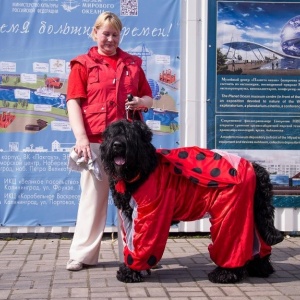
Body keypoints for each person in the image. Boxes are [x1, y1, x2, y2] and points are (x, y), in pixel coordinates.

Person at [66, 11, 153, 271]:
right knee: (93, 198)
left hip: (130, 145)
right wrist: (80, 137)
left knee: (135, 201)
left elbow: (148, 99)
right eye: (105, 33)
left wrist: (140, 103)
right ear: (95, 33)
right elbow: (73, 102)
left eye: (115, 34)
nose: (110, 39)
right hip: (95, 143)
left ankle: (139, 254)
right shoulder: (82, 64)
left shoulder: (133, 64)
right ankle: (82, 255)